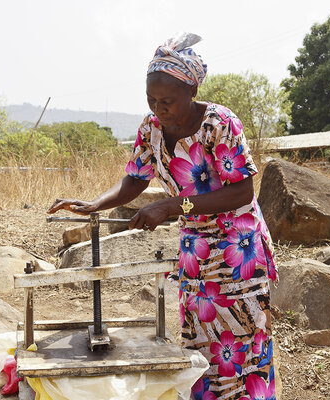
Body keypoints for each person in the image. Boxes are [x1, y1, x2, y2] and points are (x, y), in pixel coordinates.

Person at [48, 33, 277, 400]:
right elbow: (135, 179)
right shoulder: (151, 129)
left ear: (191, 89)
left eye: (167, 100)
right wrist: (95, 205)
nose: (159, 108)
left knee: (242, 343)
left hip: (238, 249)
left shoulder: (219, 123)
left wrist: (172, 206)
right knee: (200, 343)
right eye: (151, 100)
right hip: (196, 248)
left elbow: (241, 191)